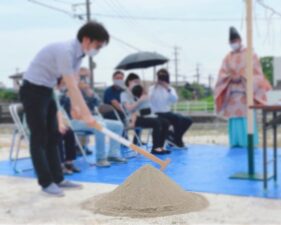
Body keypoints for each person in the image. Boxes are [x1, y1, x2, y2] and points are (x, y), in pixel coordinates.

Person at [19, 21, 109, 196]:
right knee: (39, 137)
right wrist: (87, 115)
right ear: (87, 39)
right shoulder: (66, 51)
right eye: (97, 45)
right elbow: (72, 86)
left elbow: (73, 82)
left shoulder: (78, 55)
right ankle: (46, 182)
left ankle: (58, 178)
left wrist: (76, 107)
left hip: (47, 90)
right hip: (32, 90)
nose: (97, 50)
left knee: (54, 135)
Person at [214, 26, 271, 148]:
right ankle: (235, 142)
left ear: (240, 40)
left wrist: (242, 77)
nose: (233, 43)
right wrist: (230, 77)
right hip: (232, 93)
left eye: (235, 41)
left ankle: (248, 142)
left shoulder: (251, 54)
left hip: (245, 93)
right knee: (234, 120)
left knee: (247, 118)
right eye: (231, 42)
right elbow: (222, 74)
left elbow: (257, 73)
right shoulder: (227, 57)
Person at [59, 76, 127, 167]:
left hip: (93, 119)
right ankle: (100, 159)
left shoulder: (86, 93)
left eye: (85, 80)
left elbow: (98, 105)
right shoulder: (67, 94)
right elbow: (75, 115)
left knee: (118, 125)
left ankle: (113, 154)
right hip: (75, 122)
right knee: (99, 125)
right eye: (81, 80)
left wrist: (90, 94)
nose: (84, 82)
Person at [121, 73, 170, 154]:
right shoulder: (124, 94)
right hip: (131, 119)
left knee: (165, 122)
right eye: (135, 81)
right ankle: (155, 148)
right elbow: (129, 108)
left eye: (138, 81)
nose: (137, 83)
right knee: (156, 122)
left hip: (143, 116)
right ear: (129, 82)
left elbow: (145, 108)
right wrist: (140, 100)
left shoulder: (138, 92)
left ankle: (160, 147)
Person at [149, 69, 193, 148]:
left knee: (188, 120)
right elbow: (148, 99)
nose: (162, 80)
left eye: (163, 77)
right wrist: (155, 86)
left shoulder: (170, 89)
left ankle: (173, 137)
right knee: (177, 118)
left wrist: (167, 88)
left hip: (167, 112)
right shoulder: (152, 88)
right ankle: (177, 140)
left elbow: (174, 100)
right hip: (156, 113)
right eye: (160, 77)